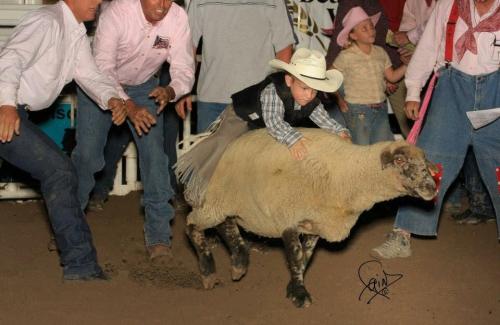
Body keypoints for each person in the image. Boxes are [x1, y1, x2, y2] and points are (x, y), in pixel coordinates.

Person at [0, 0, 127, 280]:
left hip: (13, 110)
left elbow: (89, 74)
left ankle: (80, 264)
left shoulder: (75, 32)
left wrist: (112, 98)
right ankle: (81, 266)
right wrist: (6, 105)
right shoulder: (47, 22)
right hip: (6, 110)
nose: (99, 1)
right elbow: (10, 58)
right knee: (59, 172)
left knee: (60, 172)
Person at [371, 0, 500, 259]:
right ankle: (403, 234)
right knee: (429, 161)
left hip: (496, 95)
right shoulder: (450, 4)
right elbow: (428, 47)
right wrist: (413, 91)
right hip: (452, 90)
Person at [72, 0, 195, 260]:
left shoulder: (178, 18)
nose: (162, 5)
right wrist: (128, 106)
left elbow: (184, 67)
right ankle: (68, 224)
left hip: (143, 88)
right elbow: (103, 68)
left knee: (155, 158)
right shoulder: (116, 13)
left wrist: (170, 90)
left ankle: (159, 236)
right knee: (87, 156)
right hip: (99, 87)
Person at [176, 48, 350, 206]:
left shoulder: (310, 99)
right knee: (225, 143)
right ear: (289, 81)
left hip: (265, 125)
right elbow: (274, 122)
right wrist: (293, 140)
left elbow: (323, 118)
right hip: (242, 116)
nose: (309, 95)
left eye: (314, 91)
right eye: (305, 88)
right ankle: (200, 185)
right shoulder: (273, 91)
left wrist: (340, 131)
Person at [175, 0, 295, 132]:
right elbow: (187, 46)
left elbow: (284, 48)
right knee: (209, 153)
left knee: (254, 153)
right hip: (211, 100)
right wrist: (182, 87)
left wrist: (276, 95)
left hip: (257, 101)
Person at [326, 0, 411, 138]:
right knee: (361, 148)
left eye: (372, 27)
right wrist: (339, 100)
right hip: (358, 111)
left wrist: (407, 65)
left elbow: (392, 77)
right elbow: (330, 75)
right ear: (352, 35)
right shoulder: (346, 56)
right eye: (364, 29)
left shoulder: (380, 53)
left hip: (380, 109)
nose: (371, 31)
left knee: (383, 146)